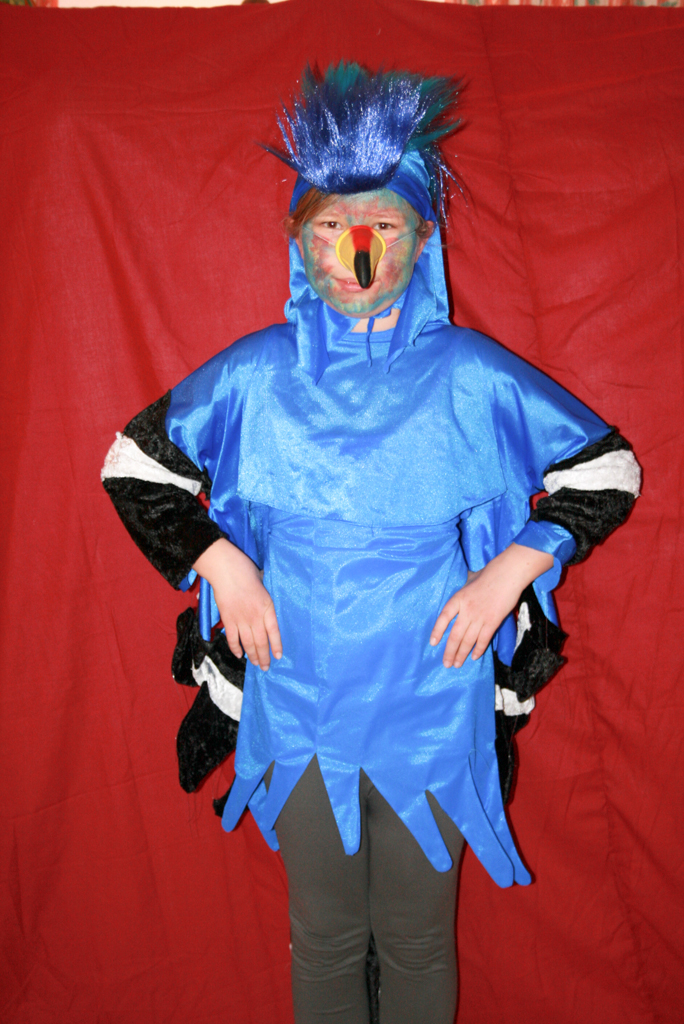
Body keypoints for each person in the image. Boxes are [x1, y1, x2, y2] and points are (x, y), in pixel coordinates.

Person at [102, 64, 639, 1024]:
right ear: (299, 240)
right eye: (331, 226)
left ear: (423, 238)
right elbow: (134, 465)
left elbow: (607, 469)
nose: (358, 249)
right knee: (326, 937)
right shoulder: (257, 375)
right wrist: (223, 561)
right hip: (299, 693)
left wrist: (510, 572)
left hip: (434, 695)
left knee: (420, 938)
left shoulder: (470, 373)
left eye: (385, 224)